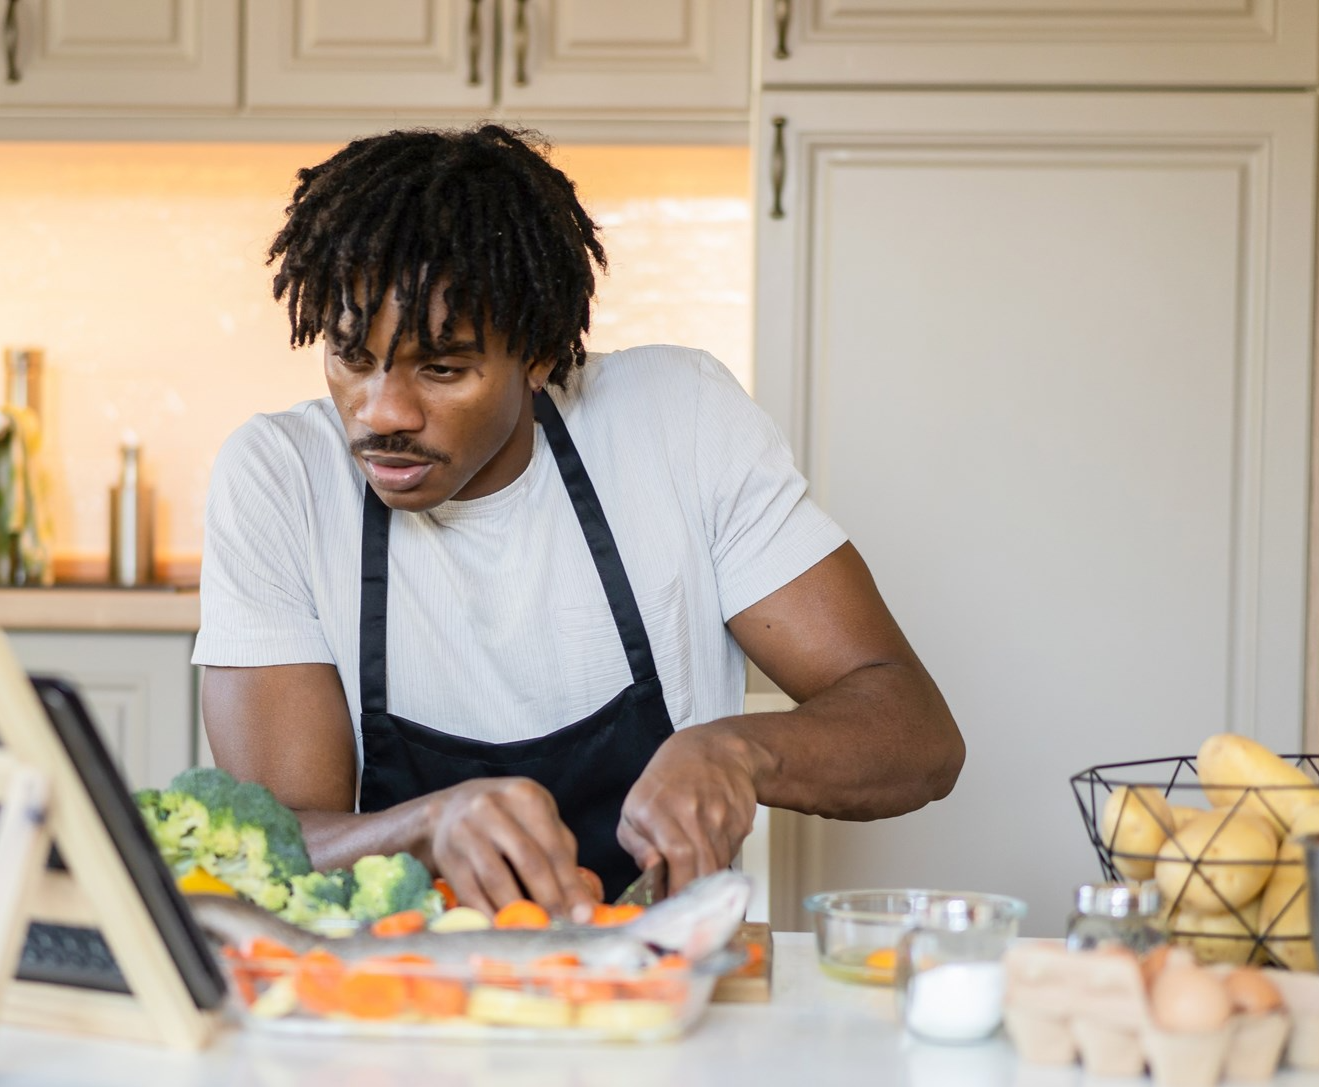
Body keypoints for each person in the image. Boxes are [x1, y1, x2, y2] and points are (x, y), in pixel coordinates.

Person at [194, 123, 963, 920]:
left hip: (659, 992)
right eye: (351, 358)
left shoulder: (677, 421)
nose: (381, 413)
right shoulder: (280, 477)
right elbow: (271, 847)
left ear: (536, 354)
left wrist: (735, 750)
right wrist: (424, 826)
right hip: (392, 1000)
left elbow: (918, 734)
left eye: (443, 368)